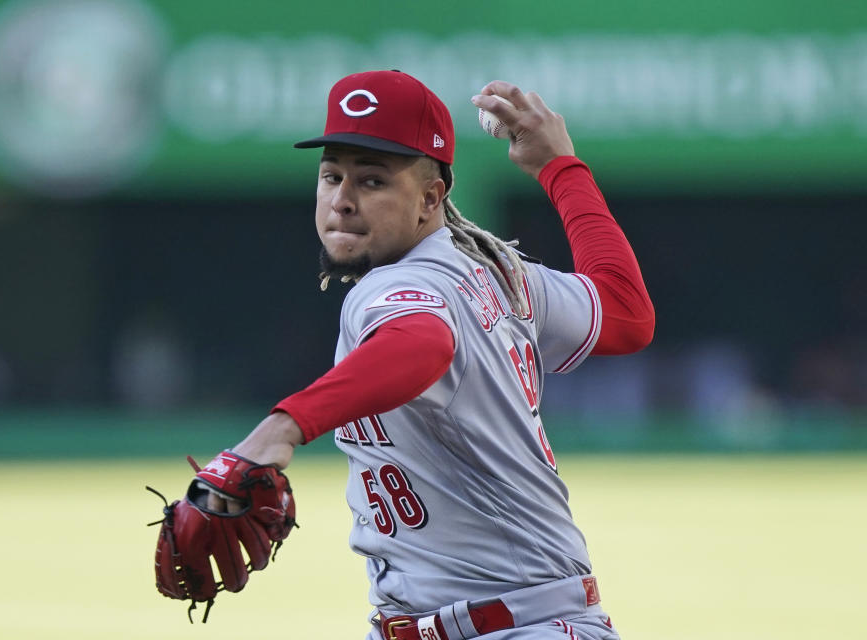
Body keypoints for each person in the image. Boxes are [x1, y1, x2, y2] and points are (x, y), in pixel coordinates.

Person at [230, 70, 654, 639]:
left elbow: (422, 342)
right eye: (332, 176)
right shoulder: (499, 273)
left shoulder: (395, 286)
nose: (343, 201)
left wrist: (278, 430)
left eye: (373, 181)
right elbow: (625, 313)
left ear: (431, 197)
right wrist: (560, 169)